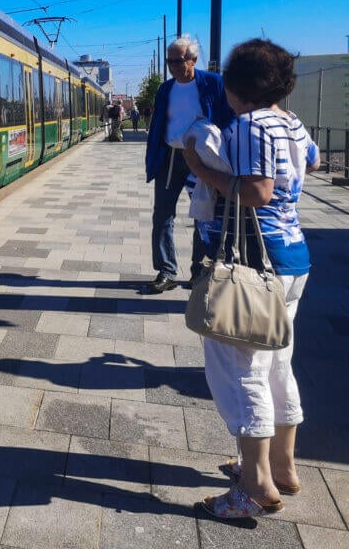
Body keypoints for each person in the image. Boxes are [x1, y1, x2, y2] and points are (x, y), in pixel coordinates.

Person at [182, 38, 320, 519]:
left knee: (241, 372)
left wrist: (200, 166)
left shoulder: (246, 126)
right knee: (277, 363)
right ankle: (282, 467)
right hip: (293, 259)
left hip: (254, 264)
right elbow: (314, 161)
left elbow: (257, 192)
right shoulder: (291, 122)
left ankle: (255, 484)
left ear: (235, 89)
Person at [144, 37, 233, 293]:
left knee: (204, 215)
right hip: (171, 156)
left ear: (193, 60)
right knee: (162, 215)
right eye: (169, 60)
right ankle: (166, 271)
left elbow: (227, 119)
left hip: (202, 158)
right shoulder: (165, 89)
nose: (171, 65)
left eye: (177, 60)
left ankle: (199, 271)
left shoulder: (213, 83)